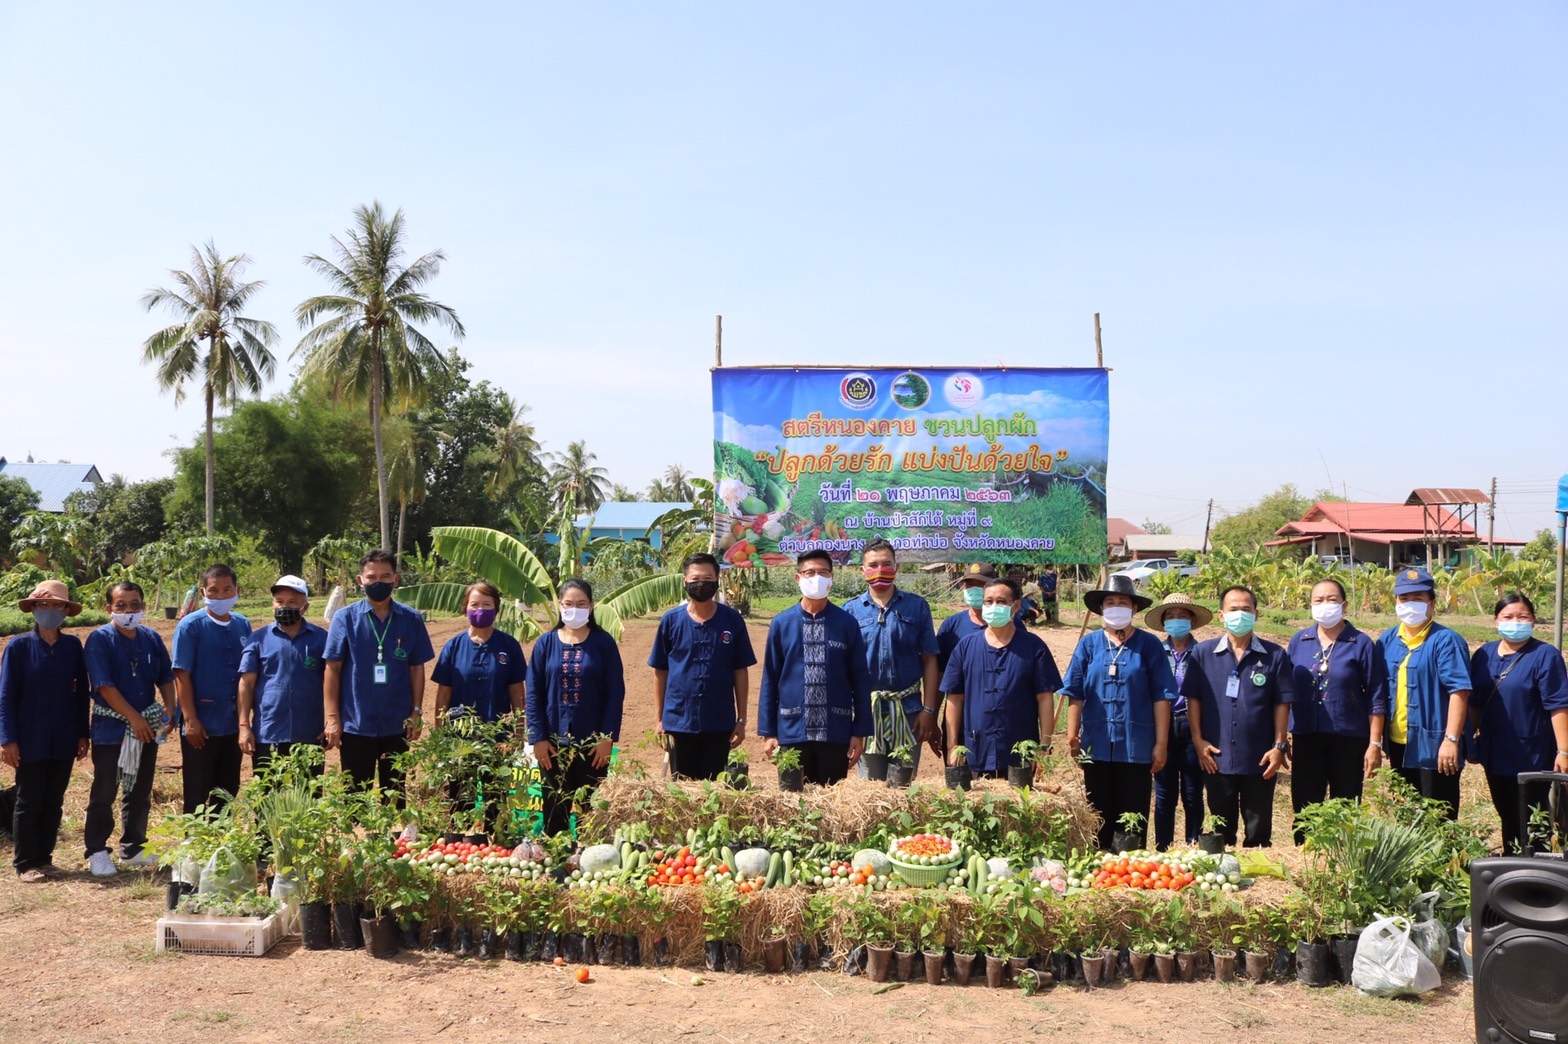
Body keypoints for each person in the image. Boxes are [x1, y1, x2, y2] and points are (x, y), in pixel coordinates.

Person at [1060, 575, 1173, 850]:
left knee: (1132, 814)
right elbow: (1075, 692)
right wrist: (1073, 737)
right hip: (1096, 744)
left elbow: (1162, 697)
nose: (1116, 606)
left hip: (1136, 746)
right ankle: (1100, 867)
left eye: (1123, 602)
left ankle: (1130, 869)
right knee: (1097, 812)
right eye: (1110, 602)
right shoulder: (1089, 645)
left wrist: (1161, 744)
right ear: (1101, 608)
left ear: (1134, 608)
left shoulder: (1149, 646)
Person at [1185, 585, 1294, 847]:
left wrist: (1279, 746)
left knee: (1258, 831)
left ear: (1256, 614)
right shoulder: (1202, 654)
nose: (1240, 614)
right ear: (1221, 615)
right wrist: (1198, 741)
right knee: (1221, 830)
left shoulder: (1274, 655)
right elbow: (1193, 699)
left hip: (1260, 757)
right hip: (1216, 756)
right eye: (1234, 609)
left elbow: (1282, 703)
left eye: (1246, 609)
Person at [82, 581, 175, 877]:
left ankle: (133, 846)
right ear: (109, 608)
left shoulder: (150, 637)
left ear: (143, 606)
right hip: (113, 728)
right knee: (105, 790)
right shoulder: (100, 639)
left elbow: (165, 677)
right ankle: (96, 850)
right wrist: (133, 718)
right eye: (121, 605)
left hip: (145, 727)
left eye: (135, 605)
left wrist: (170, 708)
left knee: (139, 789)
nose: (129, 611)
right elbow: (104, 686)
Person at [0, 580, 90, 882]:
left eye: (56, 605)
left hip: (63, 736)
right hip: (30, 737)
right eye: (43, 605)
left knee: (54, 799)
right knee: (29, 799)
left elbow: (81, 694)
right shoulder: (19, 647)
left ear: (66, 611)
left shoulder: (72, 647)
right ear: (34, 610)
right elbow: (6, 696)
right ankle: (25, 863)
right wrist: (7, 739)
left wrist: (82, 734)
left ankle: (45, 858)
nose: (49, 611)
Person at [1285, 578, 1388, 841]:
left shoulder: (1361, 643)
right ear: (1310, 605)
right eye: (1318, 600)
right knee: (1306, 807)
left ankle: (1342, 862)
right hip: (1307, 736)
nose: (1325, 605)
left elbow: (1376, 695)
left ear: (1344, 605)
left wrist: (1374, 744)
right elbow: (1286, 691)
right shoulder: (1299, 640)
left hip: (1349, 739)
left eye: (1331, 600)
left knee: (1345, 806)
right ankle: (1307, 861)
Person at [758, 550, 872, 786]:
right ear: (798, 578)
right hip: (792, 732)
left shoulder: (846, 623)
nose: (817, 577)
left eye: (823, 572)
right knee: (792, 803)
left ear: (831, 578)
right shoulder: (782, 623)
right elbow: (770, 679)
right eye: (810, 572)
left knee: (831, 806)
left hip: (835, 732)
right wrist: (769, 733)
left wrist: (858, 732)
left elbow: (860, 680)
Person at [324, 550, 434, 793]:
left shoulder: (411, 619)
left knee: (395, 793)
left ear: (396, 580)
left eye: (385, 576)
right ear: (360, 580)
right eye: (371, 576)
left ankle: (395, 833)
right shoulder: (344, 619)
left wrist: (416, 711)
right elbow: (332, 668)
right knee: (355, 794)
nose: (378, 582)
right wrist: (332, 717)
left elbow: (416, 667)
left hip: (397, 723)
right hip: (355, 723)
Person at [1468, 593, 1568, 853]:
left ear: (1533, 621)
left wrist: (1564, 750)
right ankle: (1512, 865)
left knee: (1534, 817)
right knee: (1507, 813)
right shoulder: (1483, 654)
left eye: (1523, 617)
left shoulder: (1545, 655)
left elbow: (1558, 705)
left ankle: (1539, 874)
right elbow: (1475, 702)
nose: (1515, 622)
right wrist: (1468, 740)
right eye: (1508, 616)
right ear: (1496, 620)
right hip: (1494, 751)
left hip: (1532, 754)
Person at [526, 579, 625, 833]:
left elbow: (615, 693)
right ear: (559, 606)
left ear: (591, 607)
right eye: (569, 604)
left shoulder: (604, 644)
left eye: (581, 604)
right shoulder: (545, 644)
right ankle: (557, 860)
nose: (574, 609)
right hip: (552, 744)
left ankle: (588, 865)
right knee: (554, 807)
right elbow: (534, 693)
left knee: (589, 812)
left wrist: (607, 738)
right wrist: (538, 737)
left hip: (593, 746)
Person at [942, 577, 1061, 781]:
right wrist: (952, 745)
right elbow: (954, 699)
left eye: (1001, 601)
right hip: (975, 749)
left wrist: (1044, 746)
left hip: (1020, 752)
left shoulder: (1034, 647)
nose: (993, 606)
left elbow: (1045, 698)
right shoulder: (965, 647)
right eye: (988, 601)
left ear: (1016, 606)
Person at [649, 553, 756, 780]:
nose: (702, 584)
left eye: (708, 578)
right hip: (678, 722)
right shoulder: (671, 621)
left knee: (716, 789)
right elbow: (660, 671)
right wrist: (660, 720)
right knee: (682, 792)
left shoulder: (732, 620)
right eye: (696, 578)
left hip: (719, 722)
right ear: (684, 581)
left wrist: (742, 720)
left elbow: (740, 671)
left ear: (717, 580)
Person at [1378, 567, 1471, 820]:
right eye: (1404, 599)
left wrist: (1451, 740)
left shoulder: (1445, 640)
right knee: (1406, 814)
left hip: (1435, 746)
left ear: (1432, 604)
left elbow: (1459, 691)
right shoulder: (1387, 639)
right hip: (1398, 743)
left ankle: (1442, 861)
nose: (1410, 604)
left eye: (1418, 599)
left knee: (1438, 816)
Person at [846, 539, 940, 780]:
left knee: (903, 785)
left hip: (910, 712)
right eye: (873, 564)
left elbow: (929, 659)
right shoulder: (850, 611)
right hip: (867, 713)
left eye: (886, 564)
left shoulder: (917, 607)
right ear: (863, 570)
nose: (880, 570)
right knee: (871, 788)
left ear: (896, 568)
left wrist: (928, 710)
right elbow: (843, 668)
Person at [170, 564, 251, 814]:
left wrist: (244, 721)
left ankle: (219, 841)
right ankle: (192, 847)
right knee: (196, 789)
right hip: (201, 725)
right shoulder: (190, 626)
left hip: (231, 723)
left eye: (227, 590)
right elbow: (181, 674)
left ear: (237, 590)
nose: (220, 596)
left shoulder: (242, 625)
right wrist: (190, 720)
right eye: (213, 591)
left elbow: (247, 675)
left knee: (228, 788)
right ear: (204, 592)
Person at [238, 575, 329, 774]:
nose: (284, 607)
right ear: (272, 604)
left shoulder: (321, 639)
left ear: (305, 607)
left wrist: (332, 720)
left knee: (309, 797)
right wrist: (244, 725)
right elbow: (247, 684)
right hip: (268, 732)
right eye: (279, 601)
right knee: (267, 798)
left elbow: (333, 681)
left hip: (310, 733)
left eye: (292, 602)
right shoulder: (258, 639)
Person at [1144, 591, 1211, 851]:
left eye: (1182, 616)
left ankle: (1194, 845)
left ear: (1192, 621)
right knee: (1164, 793)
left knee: (1193, 792)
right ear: (1163, 623)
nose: (1176, 621)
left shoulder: (1204, 652)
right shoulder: (1155, 651)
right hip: (1162, 727)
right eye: (1170, 616)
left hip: (1193, 726)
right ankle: (1164, 847)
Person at [432, 581, 527, 725]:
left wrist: (519, 734)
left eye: (487, 604)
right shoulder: (453, 647)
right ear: (465, 608)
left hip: (499, 736)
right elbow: (444, 695)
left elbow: (517, 693)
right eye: (475, 604)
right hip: (459, 738)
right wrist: (439, 735)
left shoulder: (509, 645)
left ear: (496, 609)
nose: (480, 610)